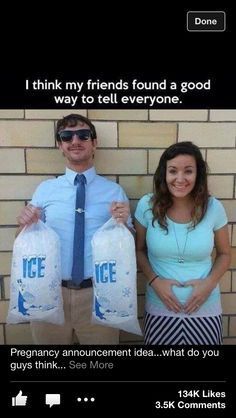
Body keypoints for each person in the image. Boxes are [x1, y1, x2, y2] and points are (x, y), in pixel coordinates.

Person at [17, 113, 133, 345]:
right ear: (60, 145)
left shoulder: (114, 191)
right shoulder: (45, 190)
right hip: (50, 293)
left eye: (83, 135)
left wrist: (124, 225)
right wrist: (24, 223)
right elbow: (25, 240)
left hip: (99, 295)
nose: (75, 140)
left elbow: (129, 244)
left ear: (94, 143)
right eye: (67, 136)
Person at [134, 141, 231, 345]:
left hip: (205, 308)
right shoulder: (147, 205)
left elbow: (225, 254)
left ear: (198, 175)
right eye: (173, 171)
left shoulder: (213, 207)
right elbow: (139, 250)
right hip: (160, 308)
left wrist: (209, 284)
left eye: (188, 171)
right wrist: (154, 281)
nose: (180, 179)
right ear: (164, 174)